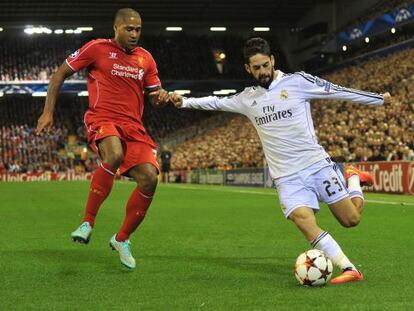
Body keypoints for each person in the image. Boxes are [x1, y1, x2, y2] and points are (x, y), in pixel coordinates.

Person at [170, 37, 392, 283]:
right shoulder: (247, 98)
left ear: (273, 60)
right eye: (256, 68)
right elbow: (215, 102)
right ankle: (349, 268)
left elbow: (336, 91)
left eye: (266, 65)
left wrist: (379, 99)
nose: (263, 71)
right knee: (303, 220)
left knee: (351, 220)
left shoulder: (297, 82)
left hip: (316, 165)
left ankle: (353, 178)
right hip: (286, 177)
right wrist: (184, 102)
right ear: (248, 68)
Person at [36, 8, 170, 269]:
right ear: (116, 28)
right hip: (103, 118)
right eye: (129, 29)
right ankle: (88, 222)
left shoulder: (146, 59)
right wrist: (48, 112)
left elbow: (154, 96)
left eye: (138, 29)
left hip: (134, 127)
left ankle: (121, 239)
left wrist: (163, 96)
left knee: (150, 179)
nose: (134, 34)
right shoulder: (96, 48)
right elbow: (59, 74)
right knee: (114, 154)